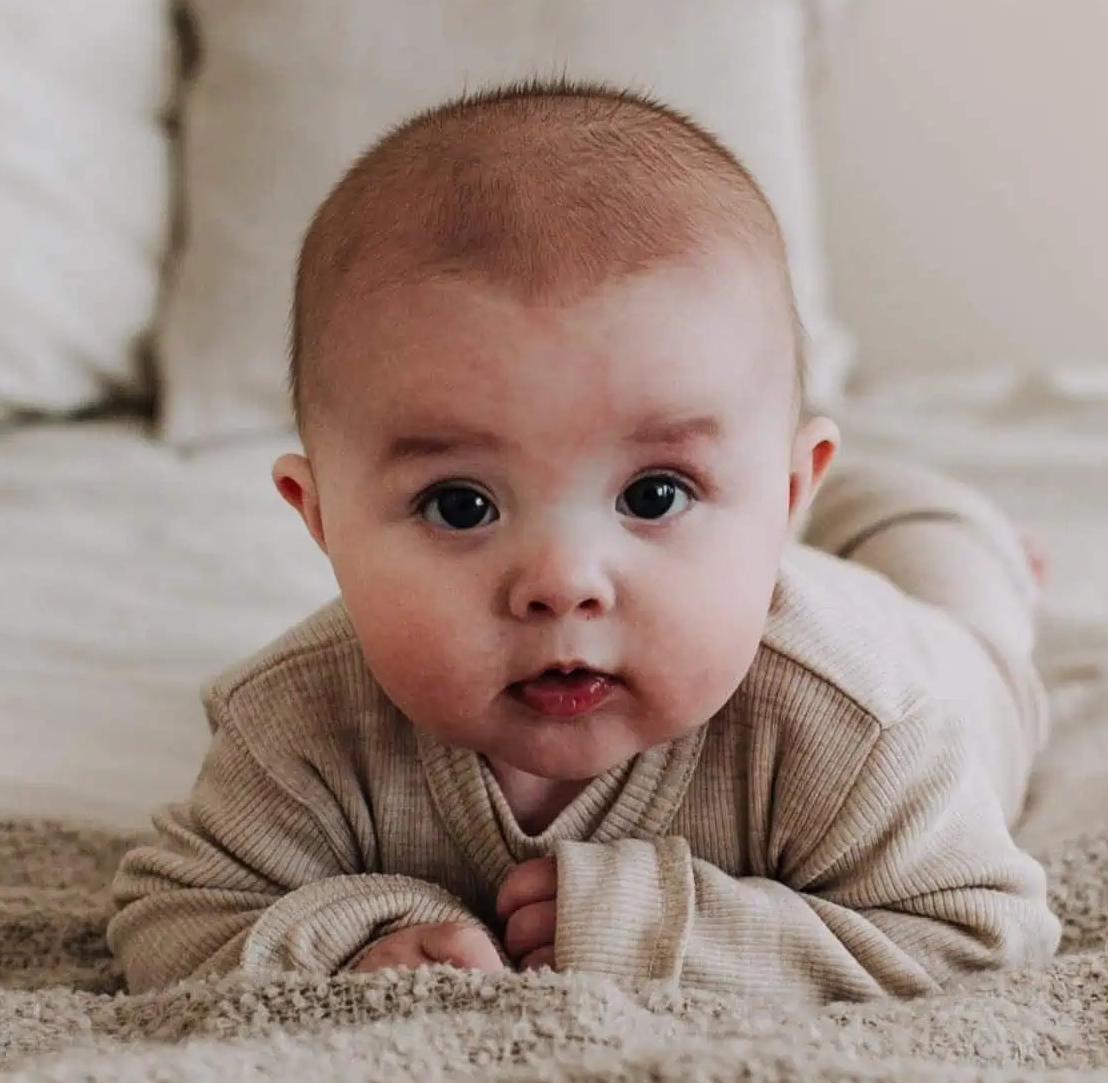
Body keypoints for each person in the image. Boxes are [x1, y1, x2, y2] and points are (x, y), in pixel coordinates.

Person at [109, 83, 1058, 1002]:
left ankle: (941, 524)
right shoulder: (301, 723)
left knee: (950, 574)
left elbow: (977, 936)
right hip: (759, 550)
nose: (561, 583)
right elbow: (176, 915)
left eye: (653, 492)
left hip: (938, 654)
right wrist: (358, 938)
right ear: (318, 517)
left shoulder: (856, 727)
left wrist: (657, 930)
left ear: (782, 495)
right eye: (460, 505)